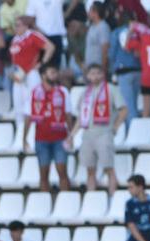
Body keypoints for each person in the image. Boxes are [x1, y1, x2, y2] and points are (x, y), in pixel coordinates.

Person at [73, 63, 126, 194]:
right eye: (92, 73)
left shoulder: (111, 89)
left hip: (104, 133)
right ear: (87, 76)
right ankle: (92, 197)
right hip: (88, 134)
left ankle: (112, 195)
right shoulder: (85, 92)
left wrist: (115, 127)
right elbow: (81, 117)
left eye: (98, 73)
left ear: (103, 74)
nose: (95, 76)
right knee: (90, 169)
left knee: (108, 168)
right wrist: (72, 134)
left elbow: (123, 109)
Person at [26, 63, 74, 192]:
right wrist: (24, 137)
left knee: (62, 172)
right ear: (43, 75)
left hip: (60, 137)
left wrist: (71, 135)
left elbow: (68, 114)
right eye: (52, 72)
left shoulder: (63, 91)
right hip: (41, 138)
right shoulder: (34, 92)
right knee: (43, 174)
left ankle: (65, 203)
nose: (55, 75)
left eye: (55, 72)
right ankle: (44, 205)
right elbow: (29, 116)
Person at [9, 16, 53, 142]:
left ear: (25, 26)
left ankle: (34, 134)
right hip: (19, 75)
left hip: (31, 73)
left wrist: (41, 63)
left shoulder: (32, 35)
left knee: (33, 103)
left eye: (18, 25)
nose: (16, 28)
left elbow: (50, 47)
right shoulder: (14, 39)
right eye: (15, 25)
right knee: (18, 104)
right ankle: (20, 136)